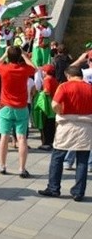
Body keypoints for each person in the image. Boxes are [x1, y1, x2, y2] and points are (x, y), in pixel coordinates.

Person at [38, 66, 92, 201]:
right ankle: (79, 192)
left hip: (66, 124)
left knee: (58, 156)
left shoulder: (64, 87)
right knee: (82, 160)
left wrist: (60, 111)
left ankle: (53, 188)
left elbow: (55, 104)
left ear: (68, 75)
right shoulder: (89, 88)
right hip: (85, 125)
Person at [0, 46, 36, 178]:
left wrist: (5, 54)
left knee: (4, 137)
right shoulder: (24, 70)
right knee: (22, 138)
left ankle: (2, 165)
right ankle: (22, 168)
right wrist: (24, 55)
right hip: (22, 107)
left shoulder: (4, 69)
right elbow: (33, 67)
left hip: (6, 107)